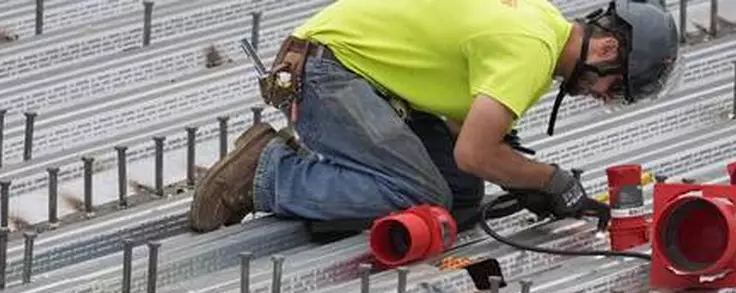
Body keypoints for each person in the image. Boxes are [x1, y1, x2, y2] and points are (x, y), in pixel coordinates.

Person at [189, 0, 682, 237]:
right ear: (608, 46)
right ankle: (267, 174)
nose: (601, 96)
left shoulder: (541, 21)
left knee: (459, 193)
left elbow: (460, 137)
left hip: (358, 76)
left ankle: (322, 167)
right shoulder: (531, 51)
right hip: (325, 71)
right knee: (421, 196)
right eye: (612, 85)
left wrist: (518, 178)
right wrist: (551, 181)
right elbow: (476, 150)